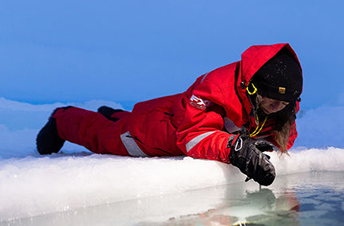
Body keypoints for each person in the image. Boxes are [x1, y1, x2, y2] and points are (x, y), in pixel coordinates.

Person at [36, 43, 303, 186]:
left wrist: (259, 142)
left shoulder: (278, 103)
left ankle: (115, 114)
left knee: (121, 121)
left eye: (285, 103)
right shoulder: (215, 88)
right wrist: (235, 148)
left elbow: (280, 132)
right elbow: (190, 136)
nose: (278, 107)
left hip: (173, 111)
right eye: (273, 99)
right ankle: (63, 118)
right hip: (153, 133)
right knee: (102, 136)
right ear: (253, 87)